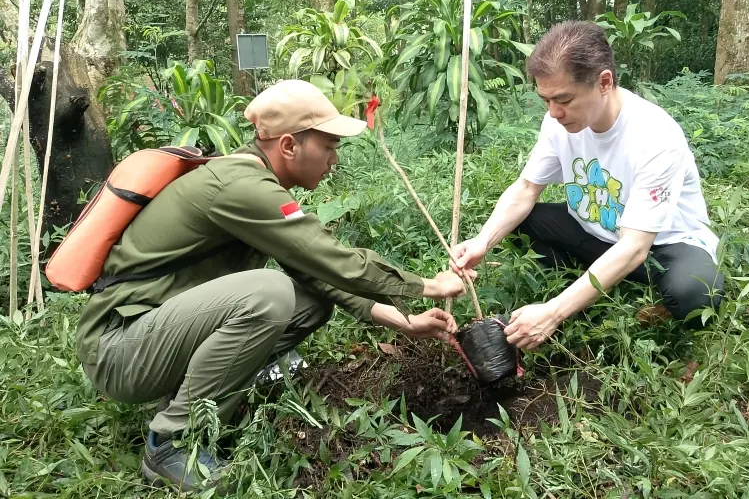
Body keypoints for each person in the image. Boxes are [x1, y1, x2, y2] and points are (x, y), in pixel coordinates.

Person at [74, 79, 466, 493]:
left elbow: (314, 272)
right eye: (328, 146)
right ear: (289, 146)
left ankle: (206, 392)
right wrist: (427, 285)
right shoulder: (241, 186)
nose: (334, 159)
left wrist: (401, 320)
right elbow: (326, 255)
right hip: (118, 350)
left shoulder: (251, 179)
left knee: (308, 301)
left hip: (150, 336)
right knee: (271, 294)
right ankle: (170, 443)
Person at [451, 21, 723, 351]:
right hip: (596, 234)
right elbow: (526, 189)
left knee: (695, 295)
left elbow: (635, 246)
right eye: (545, 100)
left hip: (664, 246)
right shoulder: (558, 122)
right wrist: (482, 241)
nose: (553, 113)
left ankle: (597, 296)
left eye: (563, 99)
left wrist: (554, 314)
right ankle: (581, 287)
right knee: (525, 219)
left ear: (604, 82)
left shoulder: (655, 137)